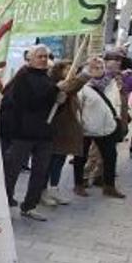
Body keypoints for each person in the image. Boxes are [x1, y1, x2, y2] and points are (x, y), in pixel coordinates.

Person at [2, 45, 62, 221]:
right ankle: (5, 202)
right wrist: (54, 92)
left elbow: (50, 106)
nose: (43, 59)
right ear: (30, 58)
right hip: (23, 133)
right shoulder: (22, 77)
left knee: (40, 171)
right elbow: (30, 103)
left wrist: (60, 100)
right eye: (39, 56)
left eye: (46, 56)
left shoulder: (47, 78)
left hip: (44, 133)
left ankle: (30, 205)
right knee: (12, 170)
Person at [73, 60, 127, 198]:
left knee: (110, 156)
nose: (97, 69)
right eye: (93, 67)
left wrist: (117, 117)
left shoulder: (111, 83)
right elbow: (78, 107)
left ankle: (109, 186)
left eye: (100, 67)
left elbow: (116, 101)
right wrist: (80, 124)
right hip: (86, 127)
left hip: (108, 126)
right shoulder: (82, 85)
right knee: (81, 156)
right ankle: (78, 184)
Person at [42, 61, 82, 205]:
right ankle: (43, 191)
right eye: (68, 69)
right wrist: (86, 75)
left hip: (66, 131)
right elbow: (74, 85)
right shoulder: (56, 85)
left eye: (74, 69)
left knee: (59, 161)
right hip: (55, 130)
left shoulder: (70, 88)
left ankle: (54, 188)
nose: (72, 72)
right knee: (49, 162)